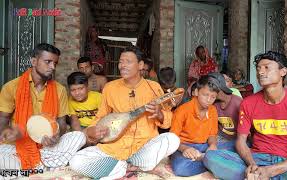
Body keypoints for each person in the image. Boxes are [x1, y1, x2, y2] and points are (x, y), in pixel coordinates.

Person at [203, 51, 287, 179]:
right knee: (211, 157)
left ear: (283, 71)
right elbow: (241, 142)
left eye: (267, 67)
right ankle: (257, 175)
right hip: (258, 158)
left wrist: (272, 171)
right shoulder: (248, 103)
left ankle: (259, 177)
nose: (260, 72)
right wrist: (252, 165)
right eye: (258, 68)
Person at [69, 46, 180, 179]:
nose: (122, 65)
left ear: (140, 65)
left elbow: (167, 119)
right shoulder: (110, 88)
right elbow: (101, 116)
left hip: (144, 147)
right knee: (76, 161)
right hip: (115, 147)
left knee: (172, 139)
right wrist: (92, 130)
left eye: (128, 61)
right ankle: (124, 167)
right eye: (121, 62)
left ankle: (124, 166)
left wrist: (160, 114)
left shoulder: (154, 87)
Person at [0, 43, 86, 177]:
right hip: (19, 146)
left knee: (79, 136)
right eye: (48, 62)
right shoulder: (11, 87)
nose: (52, 67)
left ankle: (31, 168)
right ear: (34, 61)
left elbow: (62, 123)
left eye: (55, 63)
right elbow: (3, 121)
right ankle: (43, 167)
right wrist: (9, 132)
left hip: (47, 147)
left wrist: (55, 136)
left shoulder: (59, 90)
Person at [170, 75, 219, 177]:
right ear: (196, 92)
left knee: (233, 146)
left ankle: (207, 159)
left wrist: (213, 145)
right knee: (180, 169)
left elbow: (212, 134)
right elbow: (172, 139)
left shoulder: (213, 110)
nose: (209, 100)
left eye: (213, 97)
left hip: (203, 146)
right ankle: (212, 162)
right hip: (182, 146)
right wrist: (185, 149)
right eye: (205, 95)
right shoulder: (182, 110)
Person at [208, 72, 243, 152]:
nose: (208, 95)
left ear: (218, 88)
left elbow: (246, 134)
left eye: (209, 90)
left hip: (236, 140)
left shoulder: (238, 103)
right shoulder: (213, 104)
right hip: (220, 138)